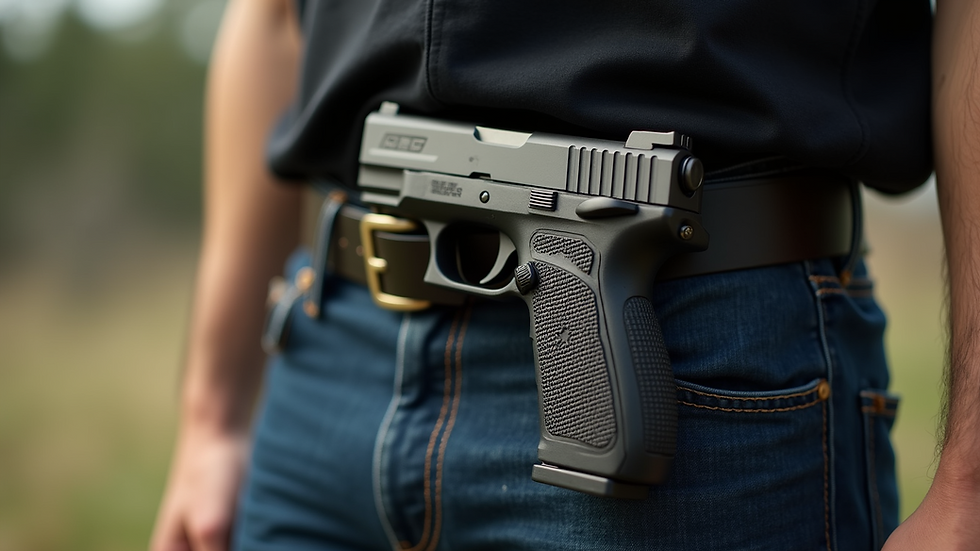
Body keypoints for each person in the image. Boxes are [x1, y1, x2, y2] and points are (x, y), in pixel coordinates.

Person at [148, 0, 980, 549]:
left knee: (599, 421)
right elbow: (268, 16)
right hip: (327, 361)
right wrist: (212, 415)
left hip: (707, 339)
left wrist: (970, 480)